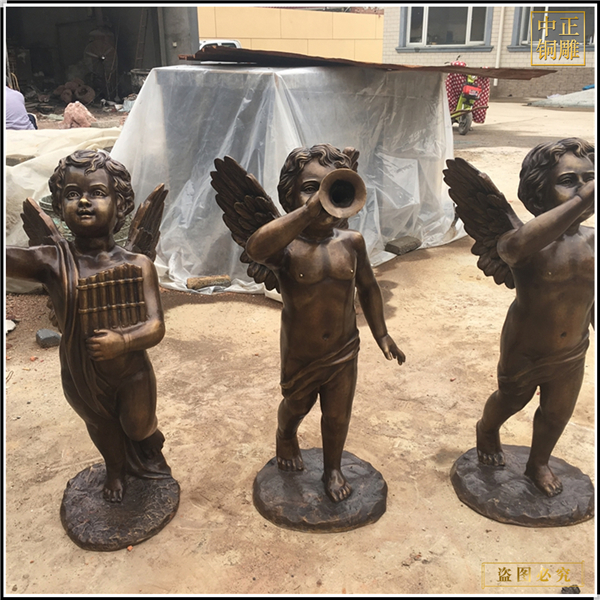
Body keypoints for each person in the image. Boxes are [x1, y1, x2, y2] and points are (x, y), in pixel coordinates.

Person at [6, 150, 171, 502]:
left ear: (120, 205)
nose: (83, 201)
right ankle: (115, 470)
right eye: (71, 193)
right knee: (101, 425)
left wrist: (122, 341)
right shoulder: (53, 261)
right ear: (58, 205)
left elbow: (156, 327)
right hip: (81, 372)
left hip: (132, 372)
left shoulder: (138, 264)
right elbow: (10, 259)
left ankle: (149, 438)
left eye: (97, 192)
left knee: (139, 424)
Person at [245, 143, 405, 503]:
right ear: (290, 195)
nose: (319, 198)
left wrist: (382, 334)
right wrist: (306, 213)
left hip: (344, 348)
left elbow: (369, 287)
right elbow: (254, 248)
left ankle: (333, 469)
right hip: (301, 352)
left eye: (328, 188)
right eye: (308, 188)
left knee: (337, 415)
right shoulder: (286, 247)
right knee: (296, 406)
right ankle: (285, 435)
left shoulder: (352, 242)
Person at [476, 138, 595, 496]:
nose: (583, 188)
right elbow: (514, 249)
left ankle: (538, 463)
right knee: (511, 399)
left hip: (572, 348)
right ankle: (487, 429)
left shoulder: (593, 241)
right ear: (539, 192)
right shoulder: (524, 241)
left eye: (589, 178)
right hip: (526, 347)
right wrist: (581, 200)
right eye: (568, 181)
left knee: (558, 412)